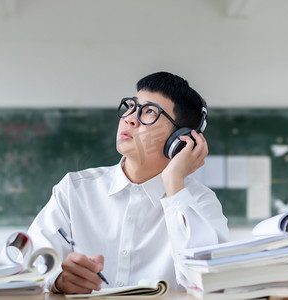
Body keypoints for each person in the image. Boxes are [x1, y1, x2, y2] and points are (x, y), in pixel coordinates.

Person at [26, 71, 229, 294]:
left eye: (150, 111)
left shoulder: (200, 202)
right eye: (131, 106)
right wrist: (58, 280)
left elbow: (208, 283)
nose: (130, 118)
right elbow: (26, 260)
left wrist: (173, 181)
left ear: (179, 140)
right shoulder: (75, 190)